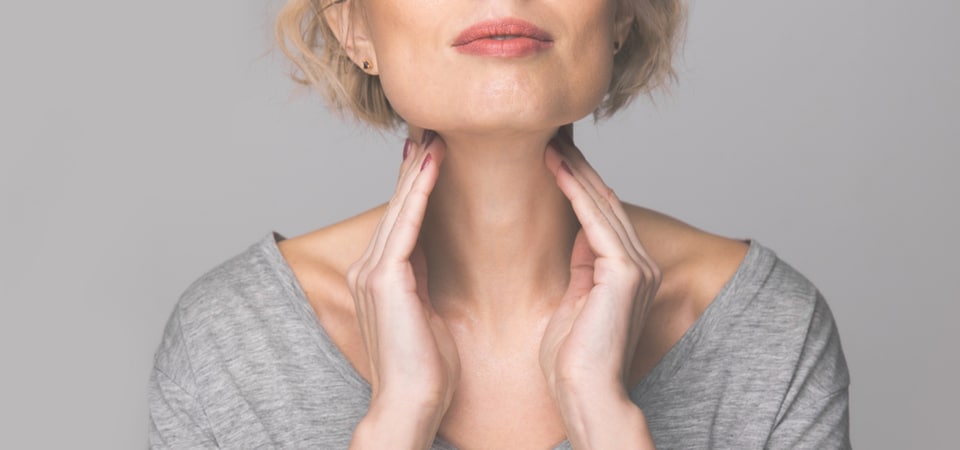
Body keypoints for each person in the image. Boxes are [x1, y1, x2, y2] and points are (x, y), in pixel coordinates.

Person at [148, 0, 851, 448]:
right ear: (352, 24)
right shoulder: (231, 344)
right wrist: (397, 423)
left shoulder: (769, 333)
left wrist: (606, 423)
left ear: (623, 15)